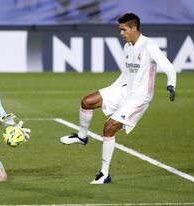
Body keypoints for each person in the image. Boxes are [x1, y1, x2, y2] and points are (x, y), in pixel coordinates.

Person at [60, 13, 176, 184]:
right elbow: (127, 73)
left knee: (109, 127)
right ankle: (82, 137)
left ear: (133, 28)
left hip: (139, 97)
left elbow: (169, 67)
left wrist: (171, 84)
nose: (121, 33)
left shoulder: (149, 46)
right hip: (123, 90)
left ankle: (104, 174)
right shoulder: (128, 47)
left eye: (123, 29)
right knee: (87, 101)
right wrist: (111, 89)